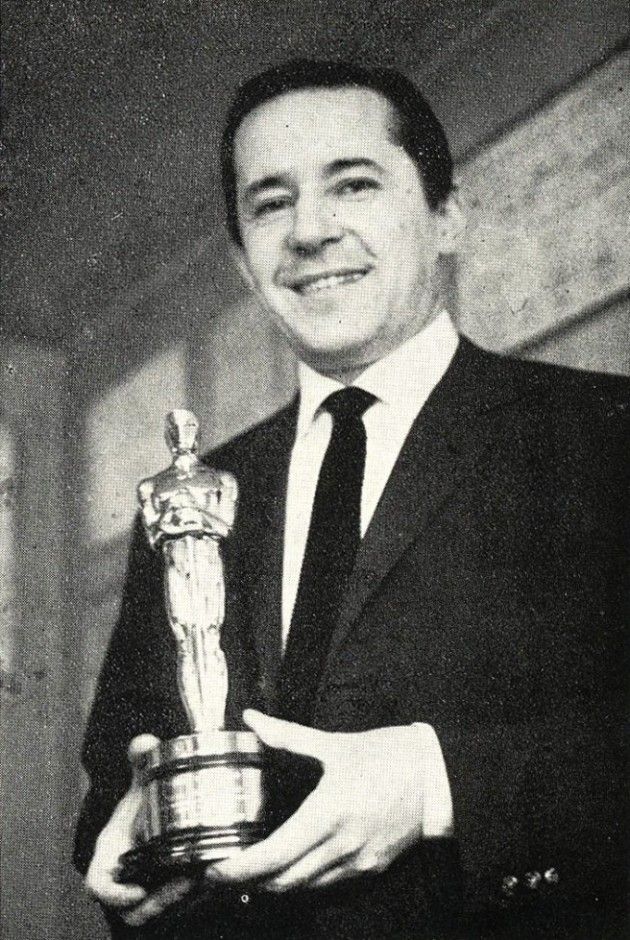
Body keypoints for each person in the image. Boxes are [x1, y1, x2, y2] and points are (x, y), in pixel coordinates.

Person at [75, 60, 629, 939]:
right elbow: (112, 788)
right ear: (243, 261)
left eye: (354, 185)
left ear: (447, 217)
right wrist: (125, 839)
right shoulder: (190, 498)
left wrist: (435, 784)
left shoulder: (602, 435)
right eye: (271, 203)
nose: (309, 231)